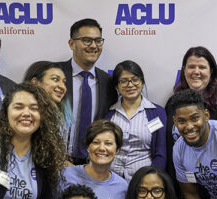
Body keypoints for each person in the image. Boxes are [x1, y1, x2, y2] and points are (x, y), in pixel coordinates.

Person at [166, 46, 217, 186]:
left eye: (202, 67)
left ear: (211, 71)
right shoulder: (174, 102)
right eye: (191, 67)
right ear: (184, 70)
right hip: (182, 183)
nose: (196, 72)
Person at [59, 18, 117, 164]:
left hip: (94, 163)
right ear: (72, 44)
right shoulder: (55, 74)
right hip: (57, 161)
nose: (93, 46)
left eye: (98, 41)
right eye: (86, 40)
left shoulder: (108, 82)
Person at [105, 60, 167, 181]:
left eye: (135, 79)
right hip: (111, 179)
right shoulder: (109, 114)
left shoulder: (157, 113)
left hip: (144, 181)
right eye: (124, 81)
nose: (130, 84)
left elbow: (161, 154)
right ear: (117, 87)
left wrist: (152, 179)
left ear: (142, 82)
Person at [60, 120, 128, 199]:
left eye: (108, 143)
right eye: (96, 142)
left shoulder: (123, 187)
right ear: (88, 147)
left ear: (117, 149)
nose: (101, 148)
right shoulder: (66, 175)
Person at [23, 61, 70, 149]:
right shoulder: (24, 112)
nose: (62, 87)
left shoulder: (56, 113)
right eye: (55, 79)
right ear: (35, 82)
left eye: (64, 82)